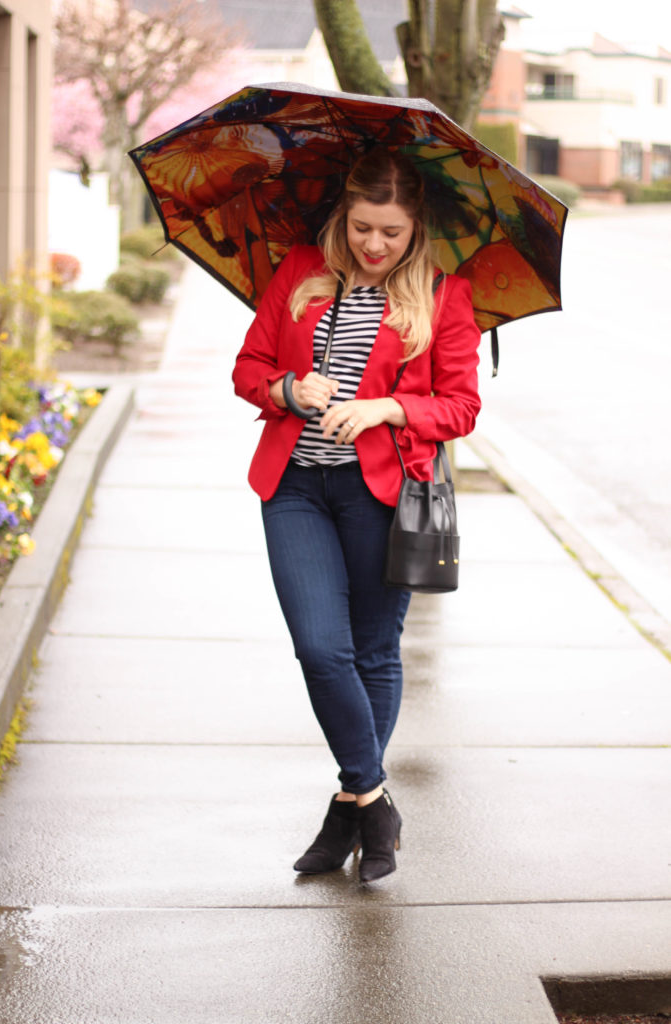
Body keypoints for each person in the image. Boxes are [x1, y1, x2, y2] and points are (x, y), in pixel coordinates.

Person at [232, 146, 481, 883]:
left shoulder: (443, 296)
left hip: (381, 496)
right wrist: (286, 391)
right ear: (344, 214)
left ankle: (347, 808)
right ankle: (374, 800)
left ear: (415, 232)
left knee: (372, 652)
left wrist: (388, 407)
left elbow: (461, 407)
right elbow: (247, 367)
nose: (374, 245)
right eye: (363, 226)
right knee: (319, 647)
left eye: (391, 233)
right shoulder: (298, 272)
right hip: (296, 487)